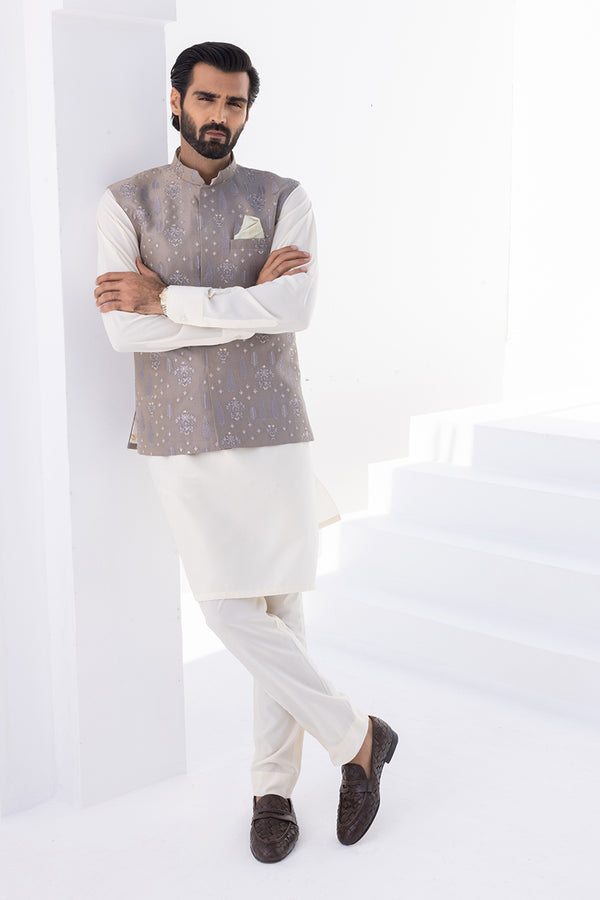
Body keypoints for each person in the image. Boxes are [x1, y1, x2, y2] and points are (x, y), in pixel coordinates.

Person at [94, 41, 396, 863]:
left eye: (234, 103)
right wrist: (242, 306)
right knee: (229, 610)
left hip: (272, 424)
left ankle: (272, 793)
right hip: (178, 432)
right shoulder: (125, 204)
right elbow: (124, 332)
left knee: (280, 611)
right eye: (206, 99)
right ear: (176, 101)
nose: (219, 116)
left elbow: (292, 310)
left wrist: (169, 298)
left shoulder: (283, 197)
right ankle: (359, 737)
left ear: (247, 111)